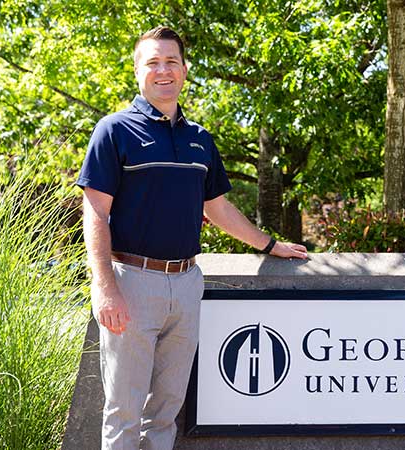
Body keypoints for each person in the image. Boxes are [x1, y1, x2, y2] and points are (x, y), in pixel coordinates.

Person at [77, 26, 308, 450]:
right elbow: (95, 211)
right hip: (132, 282)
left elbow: (218, 209)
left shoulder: (200, 139)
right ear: (137, 71)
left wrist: (271, 246)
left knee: (165, 413)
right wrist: (105, 286)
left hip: (186, 285)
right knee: (124, 413)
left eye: (171, 62)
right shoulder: (113, 131)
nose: (162, 71)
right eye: (152, 62)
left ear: (184, 70)